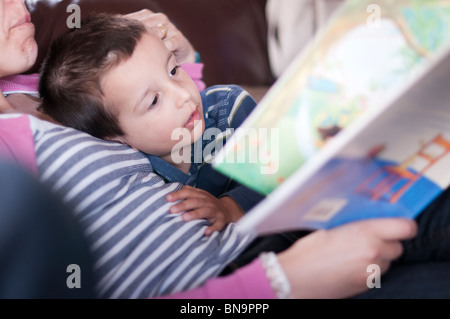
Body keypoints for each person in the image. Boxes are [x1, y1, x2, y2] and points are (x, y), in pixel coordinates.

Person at [1, 0, 450, 300]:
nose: (19, 3)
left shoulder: (44, 79)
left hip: (273, 235)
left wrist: (178, 63)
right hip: (253, 280)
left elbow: (201, 128)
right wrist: (285, 281)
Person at [38, 13, 265, 236]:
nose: (183, 94)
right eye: (154, 101)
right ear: (116, 138)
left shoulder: (229, 108)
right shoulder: (138, 179)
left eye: (174, 70)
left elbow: (282, 171)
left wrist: (229, 207)